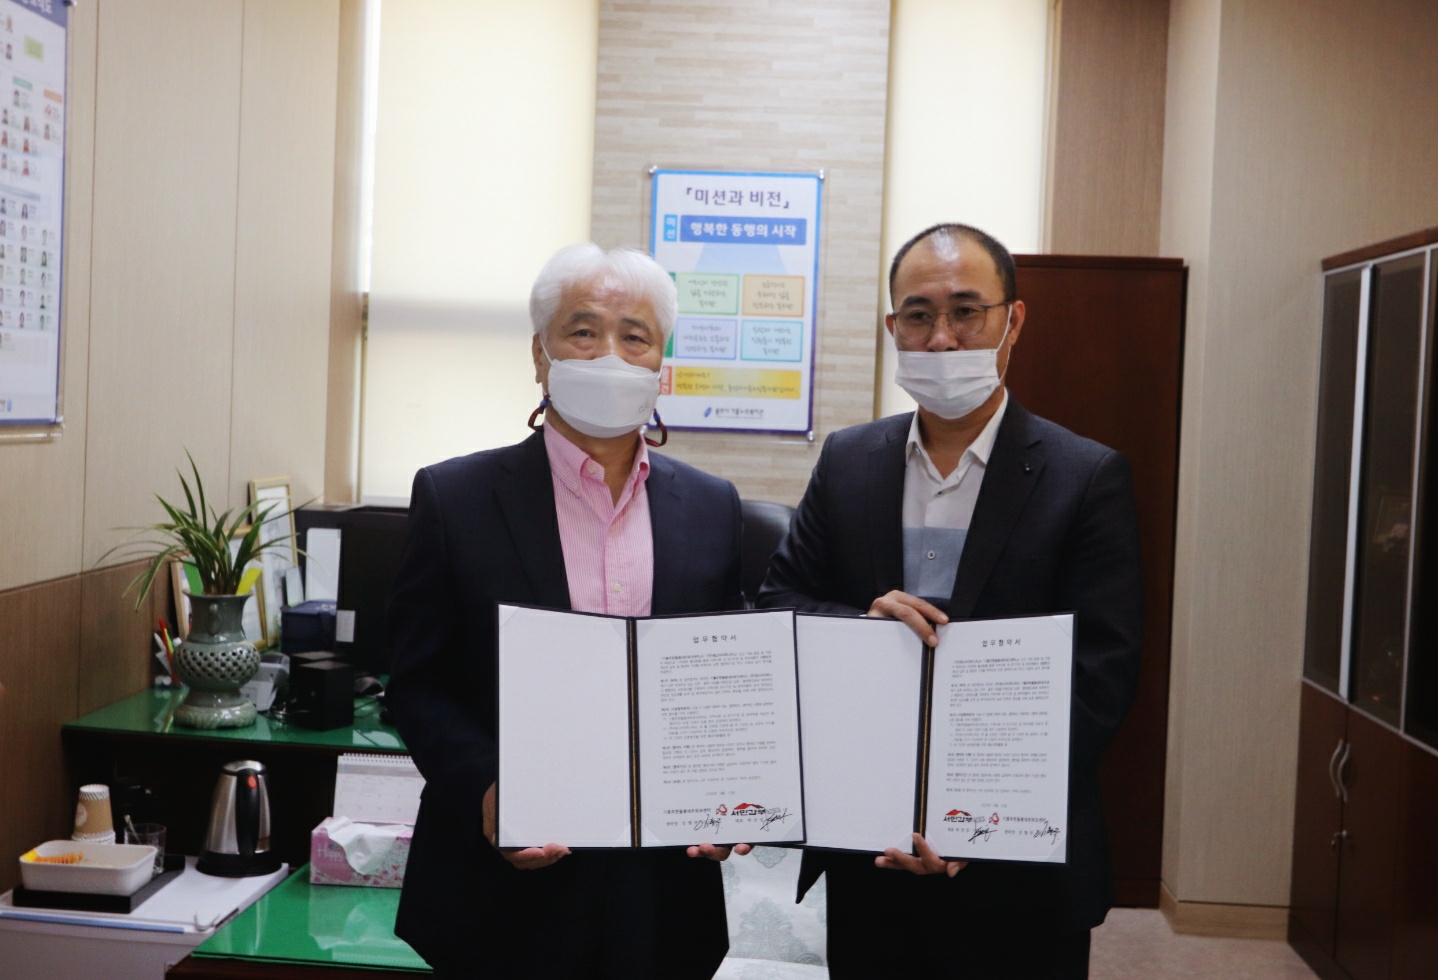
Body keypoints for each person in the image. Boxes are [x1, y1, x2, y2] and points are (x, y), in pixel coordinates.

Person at [758, 222, 1143, 979]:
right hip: (868, 847)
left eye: (967, 311)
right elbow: (780, 605)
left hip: (1018, 868)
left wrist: (982, 819)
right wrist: (861, 624)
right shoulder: (849, 460)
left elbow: (1101, 674)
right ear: (892, 327)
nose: (941, 338)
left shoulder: (1085, 476)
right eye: (919, 315)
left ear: (1013, 321)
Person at [387, 243, 746, 978]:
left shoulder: (712, 508)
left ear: (661, 366)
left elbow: (725, 685)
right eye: (583, 331)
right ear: (539, 354)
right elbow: (417, 685)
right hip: (499, 884)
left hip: (662, 886)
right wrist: (487, 788)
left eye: (635, 336)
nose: (608, 353)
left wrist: (730, 790)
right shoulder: (455, 499)